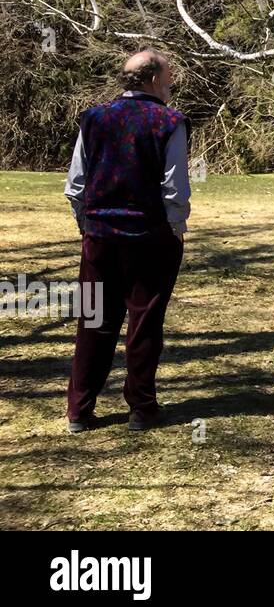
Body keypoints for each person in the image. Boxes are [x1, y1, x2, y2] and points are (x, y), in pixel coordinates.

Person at [64, 49, 190, 433]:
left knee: (93, 320)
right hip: (151, 239)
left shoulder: (94, 118)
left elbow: (76, 184)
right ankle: (141, 407)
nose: (171, 83)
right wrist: (176, 227)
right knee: (145, 322)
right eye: (168, 76)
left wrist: (87, 225)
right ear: (152, 79)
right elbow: (174, 188)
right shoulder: (170, 121)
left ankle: (80, 410)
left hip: (100, 238)